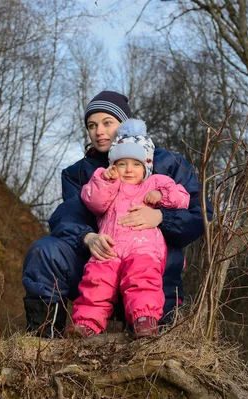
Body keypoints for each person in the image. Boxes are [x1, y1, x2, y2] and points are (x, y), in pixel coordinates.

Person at [22, 90, 211, 338]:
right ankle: (43, 341)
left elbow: (202, 213)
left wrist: (162, 218)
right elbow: (68, 215)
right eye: (92, 125)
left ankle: (145, 319)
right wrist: (86, 238)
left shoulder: (166, 163)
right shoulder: (78, 173)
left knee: (149, 326)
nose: (99, 131)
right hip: (99, 265)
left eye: (107, 123)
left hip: (151, 271)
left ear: (125, 125)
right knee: (44, 251)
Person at [68, 119, 190, 339]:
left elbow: (183, 197)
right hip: (110, 247)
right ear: (113, 165)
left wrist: (162, 197)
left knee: (142, 280)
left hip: (144, 249)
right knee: (96, 281)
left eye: (135, 164)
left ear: (146, 166)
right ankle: (85, 324)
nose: (128, 169)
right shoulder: (108, 183)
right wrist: (105, 180)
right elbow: (92, 201)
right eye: (122, 164)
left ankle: (145, 320)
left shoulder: (155, 182)